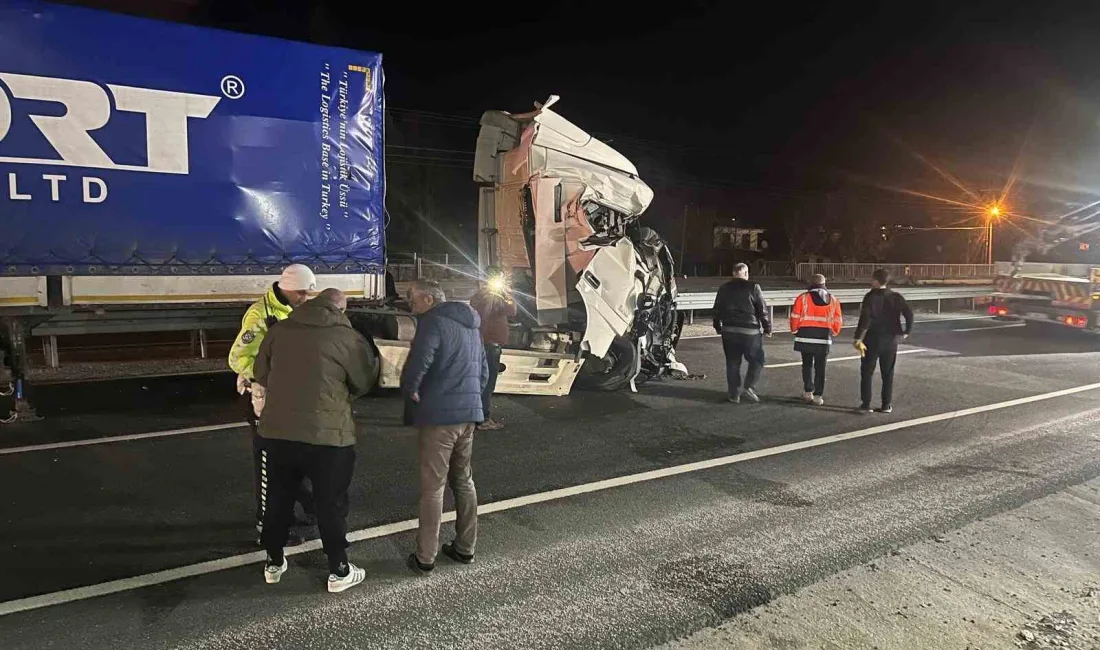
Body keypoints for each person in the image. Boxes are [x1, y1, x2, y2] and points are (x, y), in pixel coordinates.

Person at [253, 288, 378, 593]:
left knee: (278, 498)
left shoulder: (279, 330)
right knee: (330, 502)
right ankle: (338, 569)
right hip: (329, 436)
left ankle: (273, 561)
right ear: (340, 309)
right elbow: (363, 382)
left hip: (279, 432)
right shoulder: (348, 338)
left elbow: (260, 372)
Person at [400, 280, 488, 574]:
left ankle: (425, 556)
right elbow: (483, 372)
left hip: (439, 416)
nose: (410, 305)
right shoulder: (471, 325)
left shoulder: (433, 322)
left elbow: (419, 362)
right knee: (463, 480)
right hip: (468, 415)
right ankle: (465, 547)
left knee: (433, 488)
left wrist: (411, 388)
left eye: (413, 300)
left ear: (428, 298)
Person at [228, 263, 318, 546]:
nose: (305, 298)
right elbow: (236, 359)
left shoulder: (293, 309)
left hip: (287, 401)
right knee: (269, 468)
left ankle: (303, 508)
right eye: (302, 293)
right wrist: (271, 374)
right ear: (288, 288)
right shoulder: (260, 315)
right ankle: (268, 531)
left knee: (292, 459)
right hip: (262, 403)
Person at [853, 268, 914, 414]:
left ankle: (866, 403)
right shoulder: (896, 296)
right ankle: (886, 405)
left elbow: (865, 319)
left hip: (872, 339)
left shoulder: (870, 297)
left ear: (876, 280)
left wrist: (858, 337)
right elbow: (909, 313)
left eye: (872, 279)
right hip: (891, 339)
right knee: (888, 373)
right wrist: (906, 331)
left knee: (867, 372)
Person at [712, 262, 772, 403]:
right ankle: (749, 387)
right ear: (745, 273)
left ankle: (734, 394)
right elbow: (762, 310)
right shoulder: (753, 287)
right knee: (757, 360)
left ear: (733, 273)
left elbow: (716, 310)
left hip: (729, 330)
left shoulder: (723, 288)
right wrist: (767, 328)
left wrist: (717, 327)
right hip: (749, 332)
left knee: (732, 363)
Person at [469, 269, 517, 431]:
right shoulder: (494, 297)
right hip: (491, 345)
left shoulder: (479, 296)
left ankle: (475, 416)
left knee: (480, 381)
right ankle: (483, 419)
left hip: (482, 343)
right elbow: (512, 311)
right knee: (488, 383)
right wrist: (508, 294)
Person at [789, 274, 843, 405]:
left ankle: (808, 392)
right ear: (824, 283)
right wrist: (834, 332)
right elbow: (838, 319)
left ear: (811, 283)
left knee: (807, 364)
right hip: (823, 338)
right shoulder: (833, 299)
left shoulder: (803, 298)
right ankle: (818, 396)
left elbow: (795, 316)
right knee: (821, 367)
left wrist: (794, 330)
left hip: (805, 336)